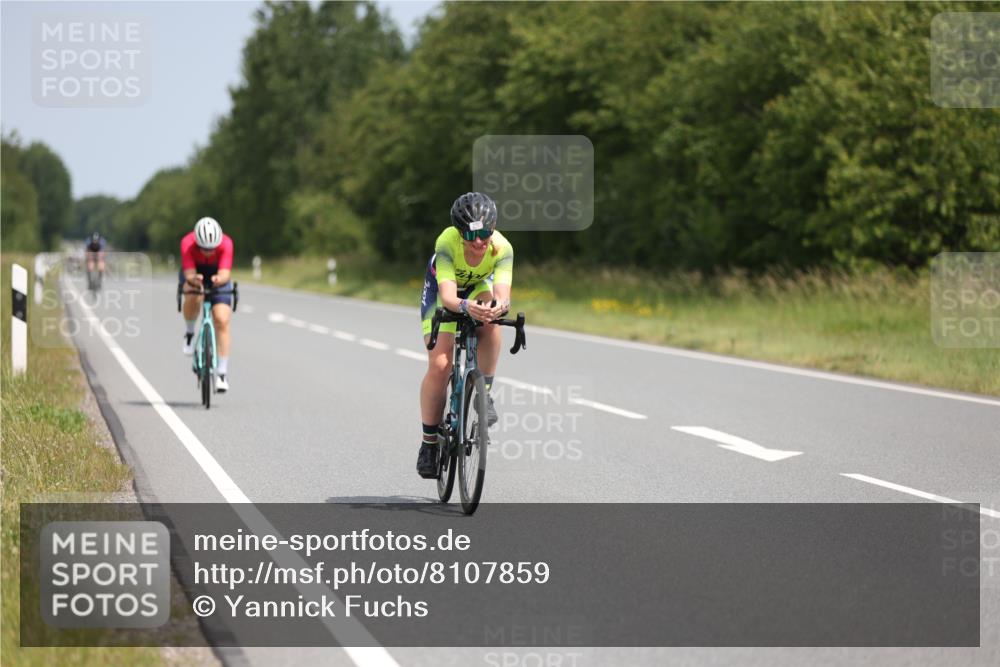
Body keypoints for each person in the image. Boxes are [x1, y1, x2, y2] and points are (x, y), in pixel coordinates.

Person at [416, 192, 513, 478]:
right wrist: (464, 306)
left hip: (477, 287)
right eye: (472, 234)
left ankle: (484, 393)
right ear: (460, 233)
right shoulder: (447, 242)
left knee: (493, 320)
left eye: (486, 232)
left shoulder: (503, 248)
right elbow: (448, 296)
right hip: (443, 293)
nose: (480, 240)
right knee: (441, 365)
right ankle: (429, 444)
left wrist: (497, 307)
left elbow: (502, 294)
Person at [179, 217, 235, 392]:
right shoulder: (187, 243)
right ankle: (189, 333)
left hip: (218, 274)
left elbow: (225, 273)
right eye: (204, 248)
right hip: (195, 273)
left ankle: (222, 374)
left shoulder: (226, 243)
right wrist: (195, 280)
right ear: (197, 243)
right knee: (191, 295)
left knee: (221, 320)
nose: (209, 252)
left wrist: (219, 279)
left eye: (212, 249)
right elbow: (189, 274)